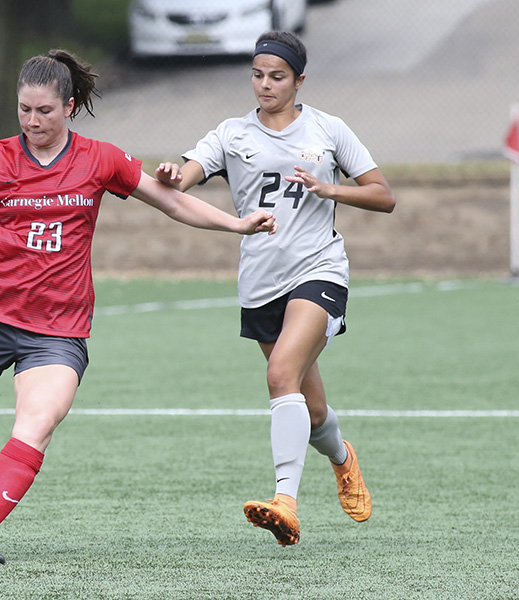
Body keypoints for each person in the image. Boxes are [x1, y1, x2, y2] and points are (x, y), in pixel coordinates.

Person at [0, 49, 276, 565]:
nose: (32, 121)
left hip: (56, 331)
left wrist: (236, 224)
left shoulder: (100, 159)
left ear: (69, 107)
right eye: (23, 109)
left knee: (38, 422)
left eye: (44, 111)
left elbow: (171, 200)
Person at [155, 31, 395, 546]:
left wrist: (329, 188)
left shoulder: (329, 129)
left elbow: (383, 195)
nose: (265, 85)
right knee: (308, 410)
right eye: (258, 74)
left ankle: (285, 502)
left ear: (299, 80)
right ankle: (342, 457)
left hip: (319, 269)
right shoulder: (231, 134)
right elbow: (186, 176)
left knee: (280, 372)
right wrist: (174, 173)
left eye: (277, 76)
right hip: (260, 282)